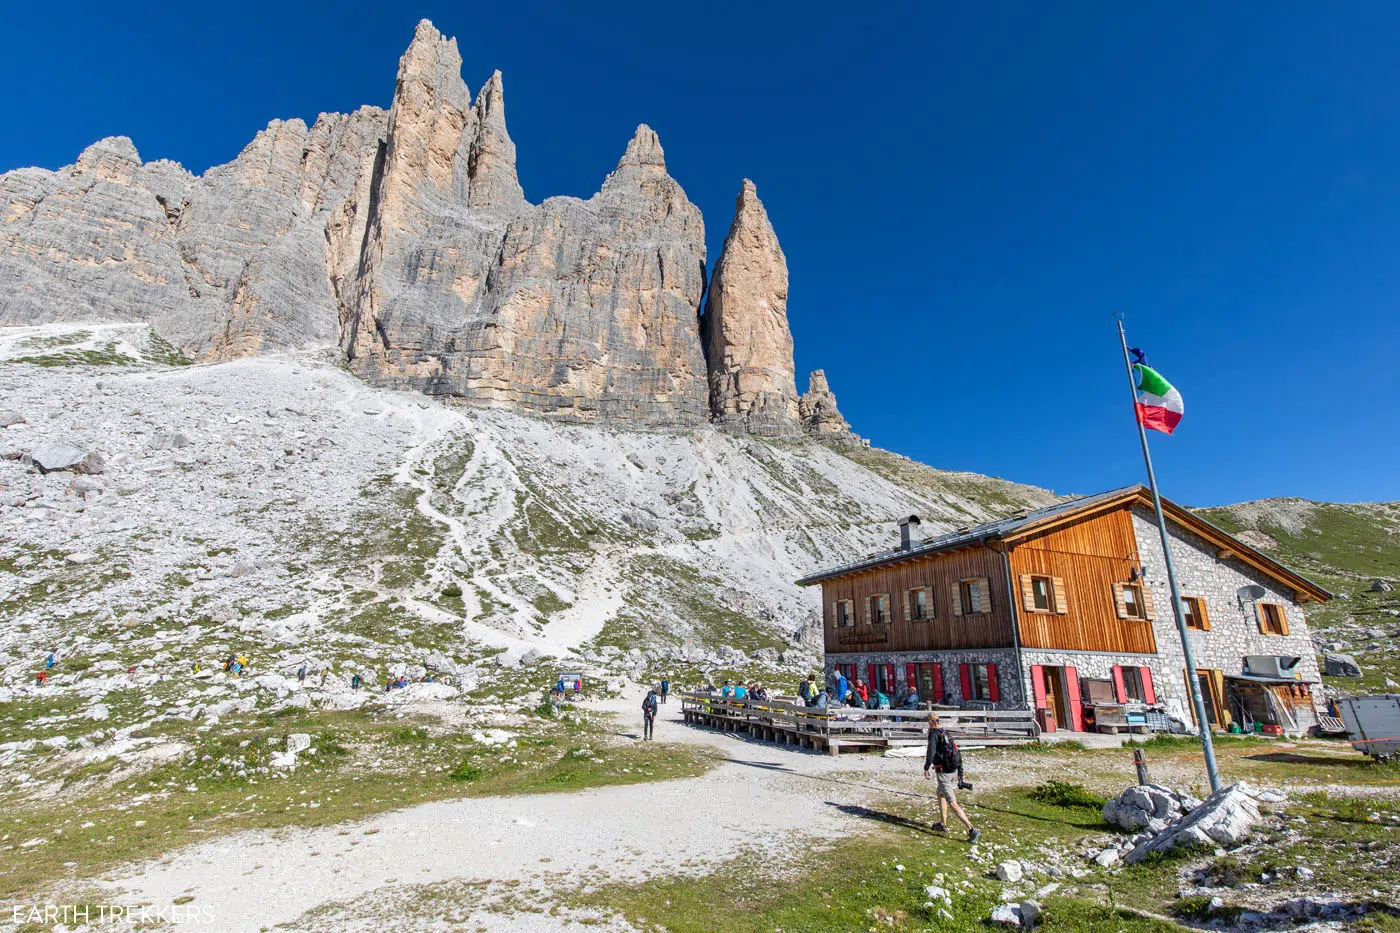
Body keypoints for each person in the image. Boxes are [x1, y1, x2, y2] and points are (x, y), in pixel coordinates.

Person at [923, 713, 980, 843]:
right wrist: (960, 772)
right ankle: (943, 823)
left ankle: (972, 829)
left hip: (943, 773)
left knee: (952, 802)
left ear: (931, 722)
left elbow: (931, 751)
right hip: (952, 771)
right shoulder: (945, 732)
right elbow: (956, 751)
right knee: (940, 793)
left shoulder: (934, 734)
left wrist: (926, 767)